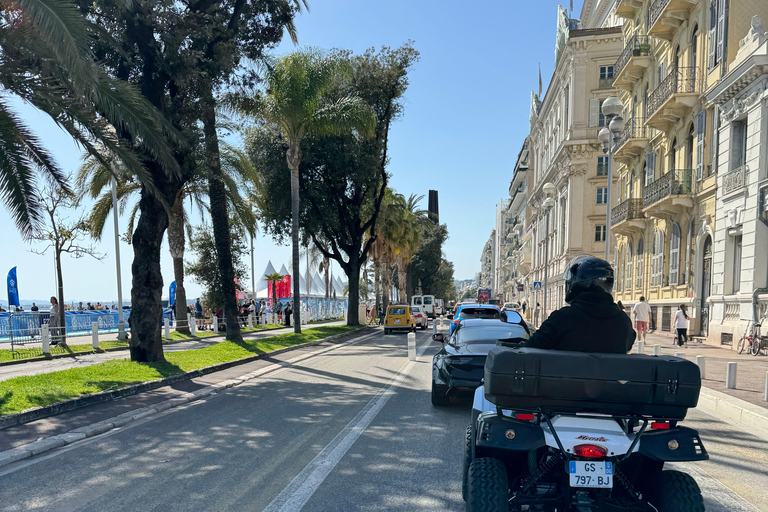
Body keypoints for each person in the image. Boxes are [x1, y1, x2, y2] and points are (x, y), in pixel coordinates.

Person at [520, 256, 635, 354]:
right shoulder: (623, 321)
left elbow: (530, 347)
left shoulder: (561, 318)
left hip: (565, 379)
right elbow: (628, 345)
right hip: (609, 380)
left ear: (576, 283)